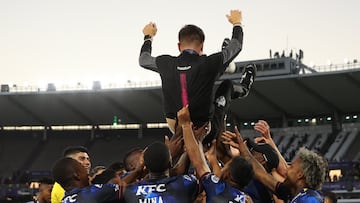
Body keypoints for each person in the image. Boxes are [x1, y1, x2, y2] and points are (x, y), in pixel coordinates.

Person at [139, 9, 256, 135]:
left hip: (175, 128)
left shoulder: (165, 63)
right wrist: (237, 23)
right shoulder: (208, 62)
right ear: (202, 47)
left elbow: (143, 59)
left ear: (179, 46)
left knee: (210, 73)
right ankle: (244, 87)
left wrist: (148, 37)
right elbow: (236, 45)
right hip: (204, 130)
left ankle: (224, 64)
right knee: (227, 85)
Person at [222, 127, 327, 203]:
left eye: (292, 167)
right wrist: (242, 148)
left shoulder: (310, 200)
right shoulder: (290, 193)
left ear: (300, 174)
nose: (287, 169)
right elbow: (263, 175)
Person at [178, 105, 253, 203]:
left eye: (225, 166)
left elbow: (198, 162)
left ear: (227, 174)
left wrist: (186, 125)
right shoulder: (247, 200)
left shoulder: (216, 188)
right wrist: (212, 159)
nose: (222, 168)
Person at [123, 141, 199, 203]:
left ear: (145, 166)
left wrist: (138, 170)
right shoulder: (185, 183)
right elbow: (203, 174)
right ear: (170, 163)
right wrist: (188, 147)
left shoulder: (130, 191)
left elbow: (112, 189)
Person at [52, 157, 123, 203]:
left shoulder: (64, 200)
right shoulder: (92, 192)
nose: (87, 171)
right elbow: (126, 190)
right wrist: (134, 172)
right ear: (77, 175)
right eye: (82, 167)